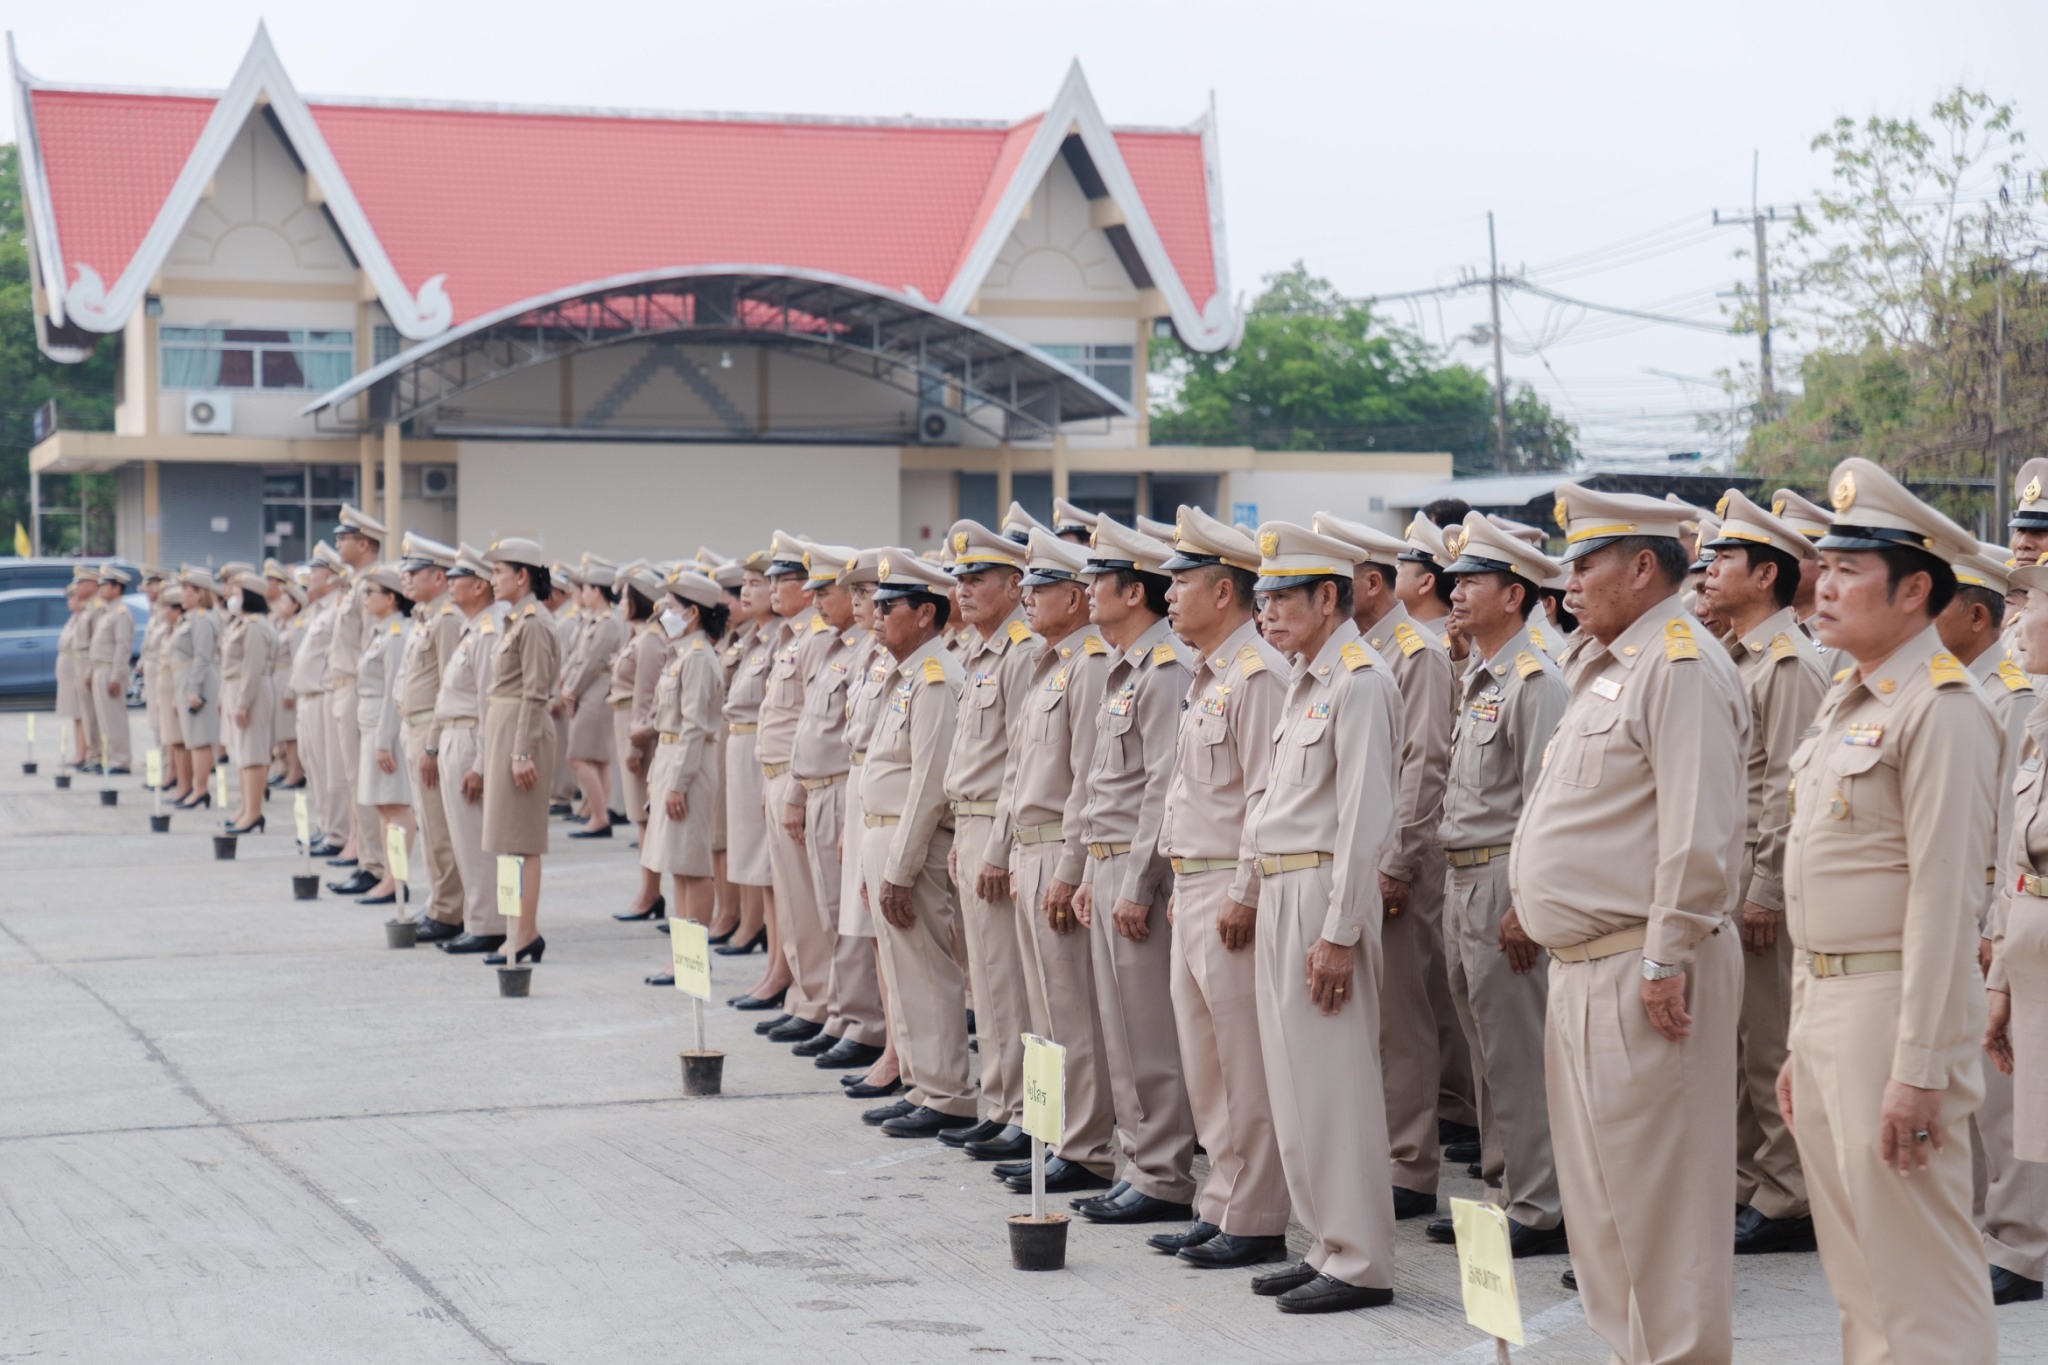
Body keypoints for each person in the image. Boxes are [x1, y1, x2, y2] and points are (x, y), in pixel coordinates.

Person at [1515, 484, 1748, 1363]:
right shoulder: (1607, 662)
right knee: (1607, 1212)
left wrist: (1665, 955)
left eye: (1587, 562)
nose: (1568, 581)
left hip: (1644, 971)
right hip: (1583, 969)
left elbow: (1700, 824)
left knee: (1665, 1212)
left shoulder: (1678, 660)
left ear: (1644, 566)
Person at [1780, 457, 1999, 1360]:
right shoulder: (1848, 699)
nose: (1823, 588)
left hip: (1892, 1010)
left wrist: (1920, 1067)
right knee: (1860, 1277)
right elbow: (1812, 884)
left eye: (1847, 572)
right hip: (1832, 1007)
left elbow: (1947, 901)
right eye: (1823, 568)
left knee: (1919, 1278)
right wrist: (1798, 1036)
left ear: (1914, 590)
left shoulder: (1941, 707)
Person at [1241, 520, 1402, 1314]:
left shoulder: (1360, 680)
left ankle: (1362, 1258)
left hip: (1319, 896)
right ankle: (1325, 1242)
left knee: (1335, 1082)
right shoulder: (1304, 680)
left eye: (1281, 596)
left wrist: (1340, 930)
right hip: (1279, 889)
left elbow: (1363, 819)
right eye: (1262, 597)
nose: (1266, 611)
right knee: (1295, 1084)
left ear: (1328, 597)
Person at [1422, 511, 1572, 1258]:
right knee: (1486, 1049)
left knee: (1518, 1046)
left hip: (1502, 881)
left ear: (1514, 594)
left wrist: (1523, 901)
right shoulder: (1483, 669)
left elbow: (1544, 804)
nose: (1454, 591)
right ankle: (1503, 1186)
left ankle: (1541, 1202)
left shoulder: (1536, 676)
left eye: (1471, 580)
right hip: (1462, 879)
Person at [1148, 506, 1292, 1267]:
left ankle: (1258, 1212)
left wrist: (1243, 888)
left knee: (1243, 1061)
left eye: (1181, 583)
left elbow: (1264, 797)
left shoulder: (1258, 673)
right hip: (1193, 883)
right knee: (1207, 1061)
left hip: (1231, 893)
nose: (1168, 596)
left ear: (1224, 592)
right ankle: (1221, 1199)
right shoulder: (1211, 675)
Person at [1698, 490, 1830, 1257]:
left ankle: (1788, 1196)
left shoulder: (1788, 664)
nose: (1711, 570)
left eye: (1726, 559)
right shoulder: (1738, 655)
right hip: (1729, 875)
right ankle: (1753, 1182)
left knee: (1770, 1040)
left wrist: (1767, 887)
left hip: (1759, 878)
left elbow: (1788, 787)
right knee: (1740, 1038)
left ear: (1768, 574)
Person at [1318, 510, 1460, 1221]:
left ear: (1369, 584)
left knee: (1403, 1016)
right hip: (1361, 857)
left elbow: (1425, 765)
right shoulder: (1360, 653)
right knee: (1370, 1016)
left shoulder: (1416, 651)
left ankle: (1411, 1162)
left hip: (1400, 857)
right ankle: (1382, 1148)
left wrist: (1398, 861)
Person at [1069, 515, 1198, 1226]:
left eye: (1099, 582)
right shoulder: (1125, 665)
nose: (1089, 591)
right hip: (1108, 858)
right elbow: (1102, 784)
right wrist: (1093, 867)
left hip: (1138, 866)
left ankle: (1165, 1168)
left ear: (1132, 591)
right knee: (1119, 1026)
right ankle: (1139, 1159)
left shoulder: (1164, 665)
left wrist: (1139, 880)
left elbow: (1160, 784)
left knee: (1149, 1028)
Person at [987, 529, 1117, 1198]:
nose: (1027, 598)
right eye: (1027, 586)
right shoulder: (1047, 662)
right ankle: (1053, 1132)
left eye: (1040, 588)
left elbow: (1088, 780)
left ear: (1076, 597)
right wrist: (1004, 848)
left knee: (1072, 1011)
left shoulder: (1091, 664)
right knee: (1043, 1011)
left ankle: (1086, 1143)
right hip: (1029, 847)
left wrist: (1071, 867)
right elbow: (1018, 772)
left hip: (1059, 849)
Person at [1944, 543, 2048, 1304]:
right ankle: (1997, 1231)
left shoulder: (2016, 697)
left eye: (2033, 604)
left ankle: (2019, 1238)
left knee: (2019, 1097)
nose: (2024, 620)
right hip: (2016, 910)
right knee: (1999, 1087)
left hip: (2015, 910)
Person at [858, 552, 975, 1138]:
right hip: (884, 835)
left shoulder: (937, 679)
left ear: (926, 614)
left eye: (888, 605)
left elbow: (930, 786)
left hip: (916, 846)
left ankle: (947, 1090)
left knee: (927, 970)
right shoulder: (905, 675)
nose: (876, 615)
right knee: (903, 973)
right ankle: (922, 1083)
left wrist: (899, 869)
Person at [935, 520, 1040, 1160]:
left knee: (1007, 982)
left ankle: (1022, 1108)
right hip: (971, 822)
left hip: (999, 829)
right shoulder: (980, 652)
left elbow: (1017, 764)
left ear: (1013, 585)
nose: (965, 590)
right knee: (987, 982)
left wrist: (997, 845)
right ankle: (999, 1101)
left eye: (978, 579)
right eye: (961, 580)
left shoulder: (1022, 652)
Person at [783, 541, 887, 1069]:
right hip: (827, 786)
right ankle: (847, 1014)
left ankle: (865, 1022)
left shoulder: (877, 652)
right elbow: (813, 728)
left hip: (852, 788)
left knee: (855, 918)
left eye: (853, 591)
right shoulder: (838, 649)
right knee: (832, 912)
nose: (830, 601)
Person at [1990, 556, 2048, 1304]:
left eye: (2029, 607)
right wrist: (2002, 974)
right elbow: (2016, 855)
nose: (2017, 625)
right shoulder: (2038, 714)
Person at [835, 547, 907, 1098]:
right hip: (866, 792)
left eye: (874, 597)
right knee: (872, 931)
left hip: (890, 802)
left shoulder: (906, 663)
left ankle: (898, 1051)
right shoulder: (871, 655)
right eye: (862, 596)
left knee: (892, 936)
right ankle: (892, 1047)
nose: (867, 607)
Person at [639, 570, 731, 975]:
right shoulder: (683, 655)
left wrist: (677, 784)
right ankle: (683, 957)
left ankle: (695, 959)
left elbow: (695, 727)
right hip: (673, 763)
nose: (665, 615)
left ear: (693, 613)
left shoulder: (697, 659)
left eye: (673, 608)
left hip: (689, 770)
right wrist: (658, 781)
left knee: (693, 867)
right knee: (678, 864)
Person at [480, 540, 562, 967]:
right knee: (507, 840)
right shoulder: (516, 621)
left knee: (522, 839)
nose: (492, 580)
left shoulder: (533, 624)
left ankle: (525, 933)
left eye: (498, 572)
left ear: (521, 575)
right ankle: (516, 930)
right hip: (506, 732)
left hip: (520, 734)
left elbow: (535, 692)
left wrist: (522, 750)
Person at [432, 545, 514, 957]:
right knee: (461, 836)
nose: (448, 584)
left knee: (476, 836)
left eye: (456, 577)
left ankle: (490, 924)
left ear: (479, 585)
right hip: (452, 735)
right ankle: (476, 917)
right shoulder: (472, 628)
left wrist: (481, 763)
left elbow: (487, 703)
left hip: (469, 740)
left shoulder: (487, 632)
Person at [724, 551, 790, 1008]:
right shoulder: (755, 638)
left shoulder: (783, 639)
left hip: (763, 755)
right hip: (748, 750)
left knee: (773, 872)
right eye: (746, 583)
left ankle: (782, 973)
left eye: (758, 582)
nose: (748, 591)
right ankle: (773, 967)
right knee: (760, 872)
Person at [393, 536, 466, 941]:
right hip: (413, 725)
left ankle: (448, 910)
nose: (405, 578)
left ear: (438, 577)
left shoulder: (448, 618)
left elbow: (448, 686)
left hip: (429, 729)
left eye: (414, 572)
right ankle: (439, 900)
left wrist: (433, 744)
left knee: (439, 827)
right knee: (427, 821)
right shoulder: (425, 616)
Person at [326, 507, 388, 897]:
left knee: (363, 781)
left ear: (363, 544)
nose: (338, 545)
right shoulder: (356, 584)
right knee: (353, 779)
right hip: (344, 686)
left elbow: (370, 646)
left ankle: (375, 864)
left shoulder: (374, 585)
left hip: (357, 689)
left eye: (343, 538)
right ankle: (365, 857)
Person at [354, 567, 415, 904]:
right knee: (382, 806)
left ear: (391, 598)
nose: (365, 598)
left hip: (384, 729)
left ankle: (397, 880)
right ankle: (390, 877)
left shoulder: (396, 635)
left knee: (396, 806)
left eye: (370, 592)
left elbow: (395, 691)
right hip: (371, 726)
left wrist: (383, 742)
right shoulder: (380, 633)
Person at [565, 558, 626, 843]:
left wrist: (571, 691)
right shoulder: (595, 621)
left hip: (594, 691)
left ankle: (600, 816)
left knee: (577, 756)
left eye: (586, 588)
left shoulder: (608, 623)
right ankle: (600, 815)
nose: (581, 593)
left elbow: (590, 663)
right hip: (589, 690)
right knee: (597, 760)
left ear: (598, 591)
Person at [293, 546, 346, 853]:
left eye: (315, 571)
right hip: (306, 695)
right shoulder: (317, 608)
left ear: (331, 576)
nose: (308, 576)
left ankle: (337, 833)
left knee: (329, 770)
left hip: (323, 694)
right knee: (313, 766)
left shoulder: (336, 607)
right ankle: (326, 825)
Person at [222, 572, 279, 834]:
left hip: (252, 692)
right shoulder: (243, 623)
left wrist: (243, 703)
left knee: (254, 754)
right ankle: (245, 808)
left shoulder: (255, 626)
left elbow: (252, 667)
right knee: (243, 754)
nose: (232, 598)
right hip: (240, 690)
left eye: (237, 593)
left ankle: (254, 813)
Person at [170, 571, 222, 807]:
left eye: (186, 590)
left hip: (197, 681)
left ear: (199, 593)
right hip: (184, 680)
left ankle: (200, 790)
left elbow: (202, 656)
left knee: (199, 739)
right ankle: (193, 787)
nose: (181, 595)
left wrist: (193, 689)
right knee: (191, 738)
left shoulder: (202, 619)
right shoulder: (190, 618)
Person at [87, 565, 135, 774]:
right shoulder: (107, 612)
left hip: (110, 670)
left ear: (117, 588)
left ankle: (121, 760)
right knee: (104, 719)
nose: (100, 589)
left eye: (105, 585)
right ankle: (109, 757)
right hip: (99, 668)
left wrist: (116, 676)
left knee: (114, 718)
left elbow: (122, 648)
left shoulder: (121, 613)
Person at [54, 571, 91, 769]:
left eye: (72, 596)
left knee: (80, 714)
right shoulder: (74, 618)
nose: (69, 600)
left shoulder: (84, 617)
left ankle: (82, 753)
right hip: (69, 670)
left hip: (78, 669)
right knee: (75, 715)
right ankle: (79, 752)